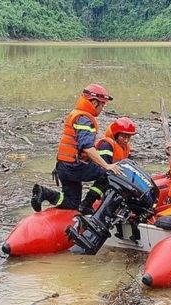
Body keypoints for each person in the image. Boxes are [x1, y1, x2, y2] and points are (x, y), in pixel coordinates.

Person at [31, 83, 123, 213]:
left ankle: (44, 193)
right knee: (107, 174)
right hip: (73, 167)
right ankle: (87, 204)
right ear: (94, 102)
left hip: (62, 167)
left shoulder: (77, 114)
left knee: (72, 202)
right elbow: (87, 147)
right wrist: (107, 166)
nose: (102, 109)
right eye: (102, 105)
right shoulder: (84, 119)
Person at [78, 117, 137, 214]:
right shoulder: (106, 145)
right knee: (104, 179)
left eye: (128, 137)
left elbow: (129, 162)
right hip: (100, 171)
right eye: (123, 137)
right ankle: (86, 203)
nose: (126, 140)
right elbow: (104, 165)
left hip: (115, 172)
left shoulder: (125, 147)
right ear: (116, 134)